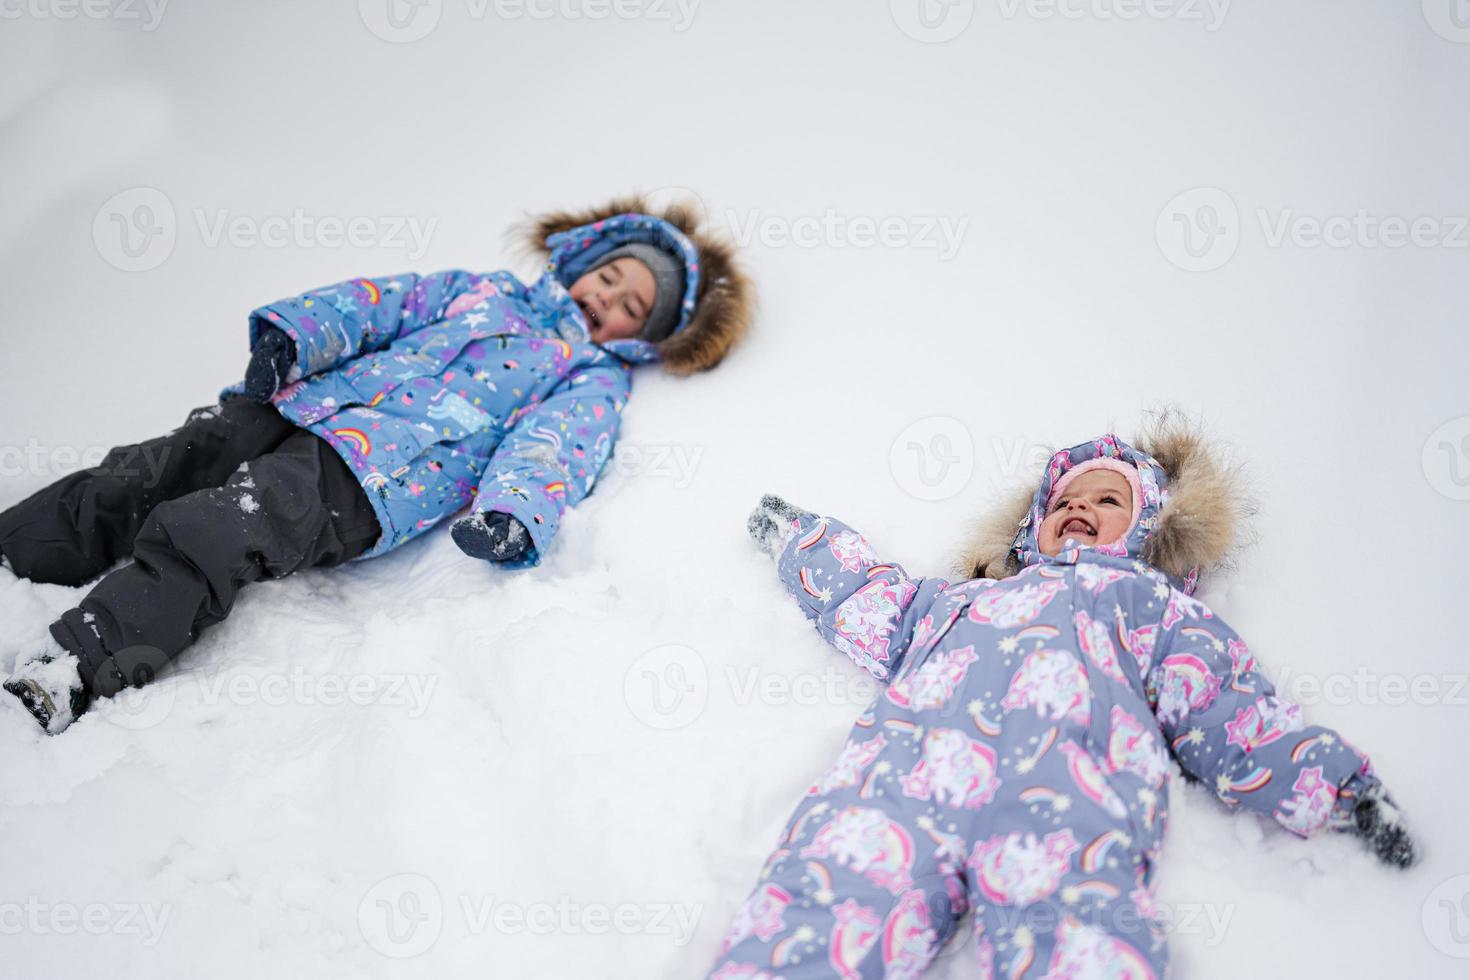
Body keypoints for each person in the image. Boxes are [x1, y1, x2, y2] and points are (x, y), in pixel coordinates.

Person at [0, 195, 753, 734]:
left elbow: (554, 446)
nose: (608, 298)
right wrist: (294, 343)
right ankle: (17, 551)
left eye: (631, 306)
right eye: (612, 277)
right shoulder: (479, 290)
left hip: (375, 479)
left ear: (644, 337)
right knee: (149, 471)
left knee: (220, 530)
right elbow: (376, 305)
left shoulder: (587, 380)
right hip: (294, 402)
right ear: (585, 260)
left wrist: (515, 511)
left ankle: (74, 663)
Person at [715, 417, 1415, 978]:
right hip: (905, 782)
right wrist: (805, 542)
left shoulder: (1146, 604)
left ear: (1147, 531)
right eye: (1065, 500)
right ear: (1032, 528)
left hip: (1063, 788)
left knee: (1075, 927)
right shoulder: (963, 601)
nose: (1079, 505)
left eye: (1109, 500)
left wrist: (1335, 789)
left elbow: (1222, 706)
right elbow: (873, 598)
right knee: (828, 898)